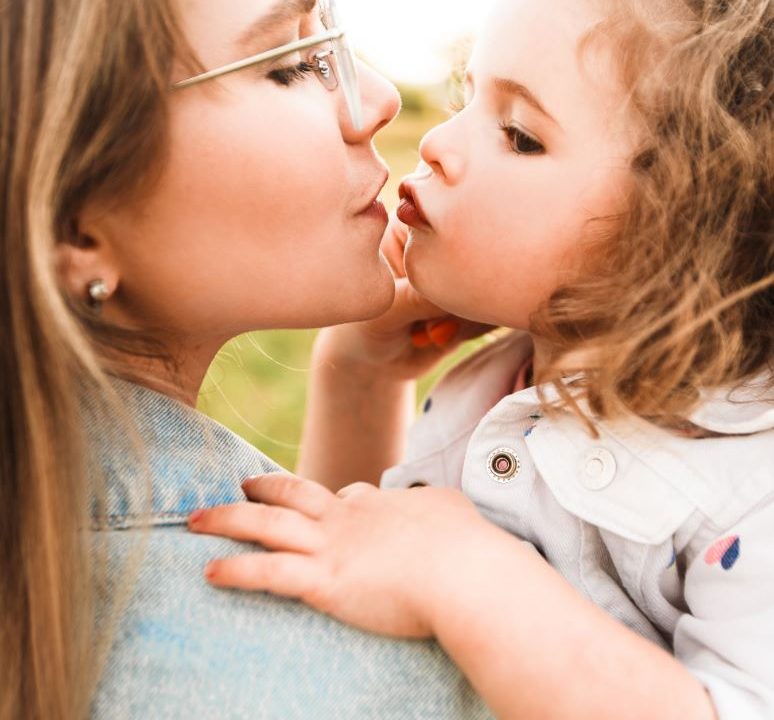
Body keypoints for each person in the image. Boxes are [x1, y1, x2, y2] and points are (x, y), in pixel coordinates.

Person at [192, 0, 774, 718]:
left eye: (521, 136)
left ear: (686, 230)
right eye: (465, 99)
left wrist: (467, 575)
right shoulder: (496, 386)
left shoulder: (751, 476)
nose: (436, 143)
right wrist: (363, 378)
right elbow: (347, 564)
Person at [0, 0, 496, 718]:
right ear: (78, 229)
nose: (380, 100)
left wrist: (356, 383)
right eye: (288, 65)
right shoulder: (365, 683)